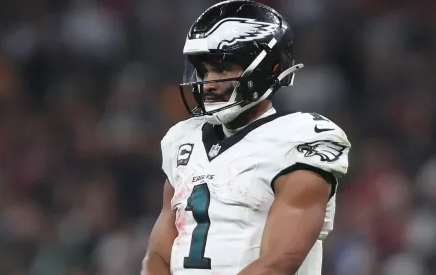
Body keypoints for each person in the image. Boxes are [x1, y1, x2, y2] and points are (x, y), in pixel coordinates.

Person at [141, 1, 351, 274]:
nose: (209, 82)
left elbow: (279, 263)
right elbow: (158, 254)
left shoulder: (298, 140)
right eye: (204, 70)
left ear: (267, 68)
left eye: (223, 68)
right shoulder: (182, 140)